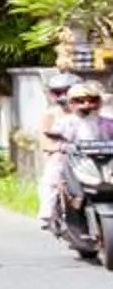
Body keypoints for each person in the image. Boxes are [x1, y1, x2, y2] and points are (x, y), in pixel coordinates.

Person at [43, 77, 111, 224]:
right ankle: (48, 211)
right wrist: (58, 147)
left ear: (99, 102)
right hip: (74, 160)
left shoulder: (107, 122)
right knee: (54, 174)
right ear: (72, 104)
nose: (87, 105)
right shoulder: (65, 122)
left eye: (92, 100)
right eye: (81, 101)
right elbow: (50, 140)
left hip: (103, 160)